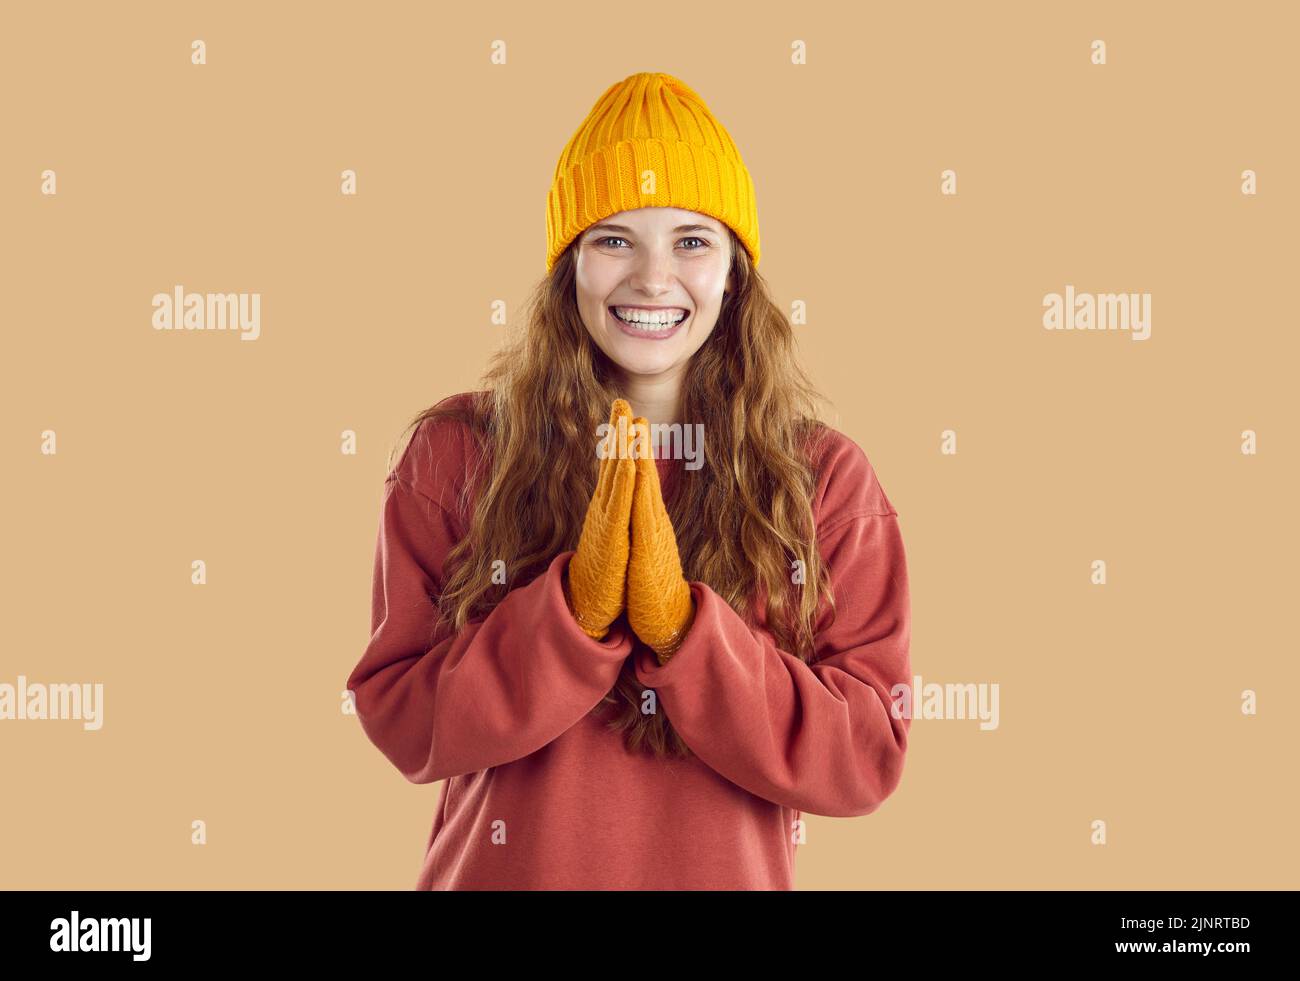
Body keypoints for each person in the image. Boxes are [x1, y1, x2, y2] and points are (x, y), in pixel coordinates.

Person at [345, 71, 913, 890]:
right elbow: (401, 719)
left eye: (691, 240)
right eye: (614, 239)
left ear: (734, 273)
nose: (652, 279)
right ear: (567, 264)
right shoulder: (457, 453)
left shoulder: (824, 479)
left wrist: (687, 634)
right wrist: (568, 614)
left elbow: (866, 755)